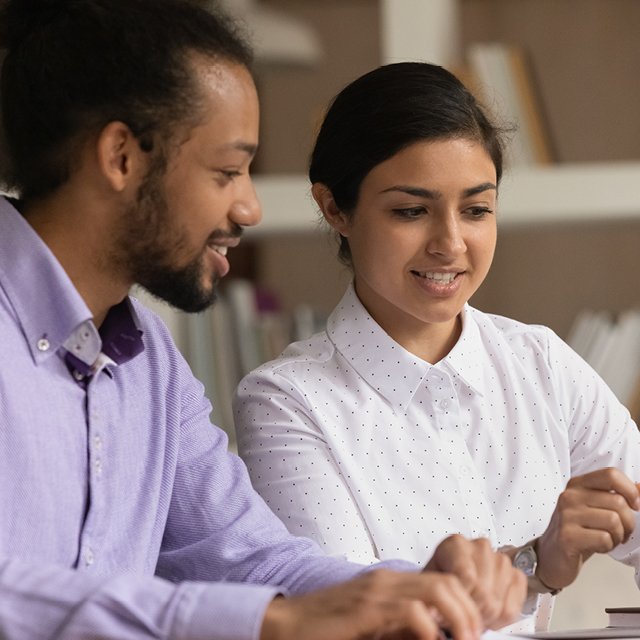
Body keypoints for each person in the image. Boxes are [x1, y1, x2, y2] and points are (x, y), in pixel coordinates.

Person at [0, 2, 529, 639]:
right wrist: (271, 623)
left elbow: (250, 559)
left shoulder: (150, 365)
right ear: (121, 157)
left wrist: (408, 591)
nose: (249, 208)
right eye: (227, 172)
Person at [233, 61, 640, 631]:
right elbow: (354, 622)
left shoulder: (541, 363)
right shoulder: (287, 402)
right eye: (411, 211)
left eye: (476, 210)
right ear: (334, 208)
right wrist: (533, 566)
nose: (451, 244)